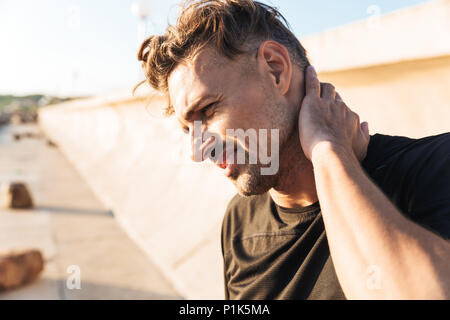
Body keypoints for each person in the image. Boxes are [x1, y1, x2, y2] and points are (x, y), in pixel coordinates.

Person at [135, 0, 450, 299]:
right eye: (188, 129)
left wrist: (328, 152)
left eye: (208, 110)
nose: (197, 150)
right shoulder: (239, 222)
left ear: (275, 70)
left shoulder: (434, 168)